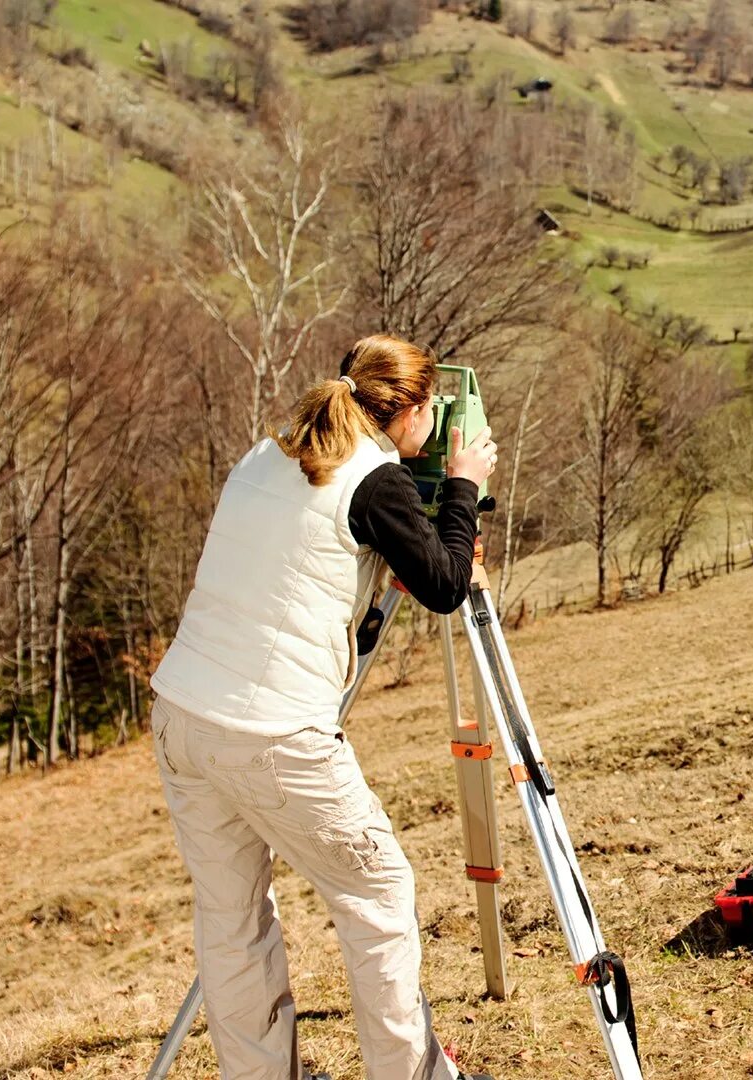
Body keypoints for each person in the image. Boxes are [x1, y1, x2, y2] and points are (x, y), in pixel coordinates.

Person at [149, 334, 498, 1080]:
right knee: (377, 894)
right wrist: (463, 484)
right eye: (429, 404)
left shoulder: (268, 451)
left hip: (182, 713)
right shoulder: (376, 482)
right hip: (273, 733)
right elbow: (443, 585)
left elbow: (302, 559)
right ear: (403, 411)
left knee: (233, 920)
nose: (435, 419)